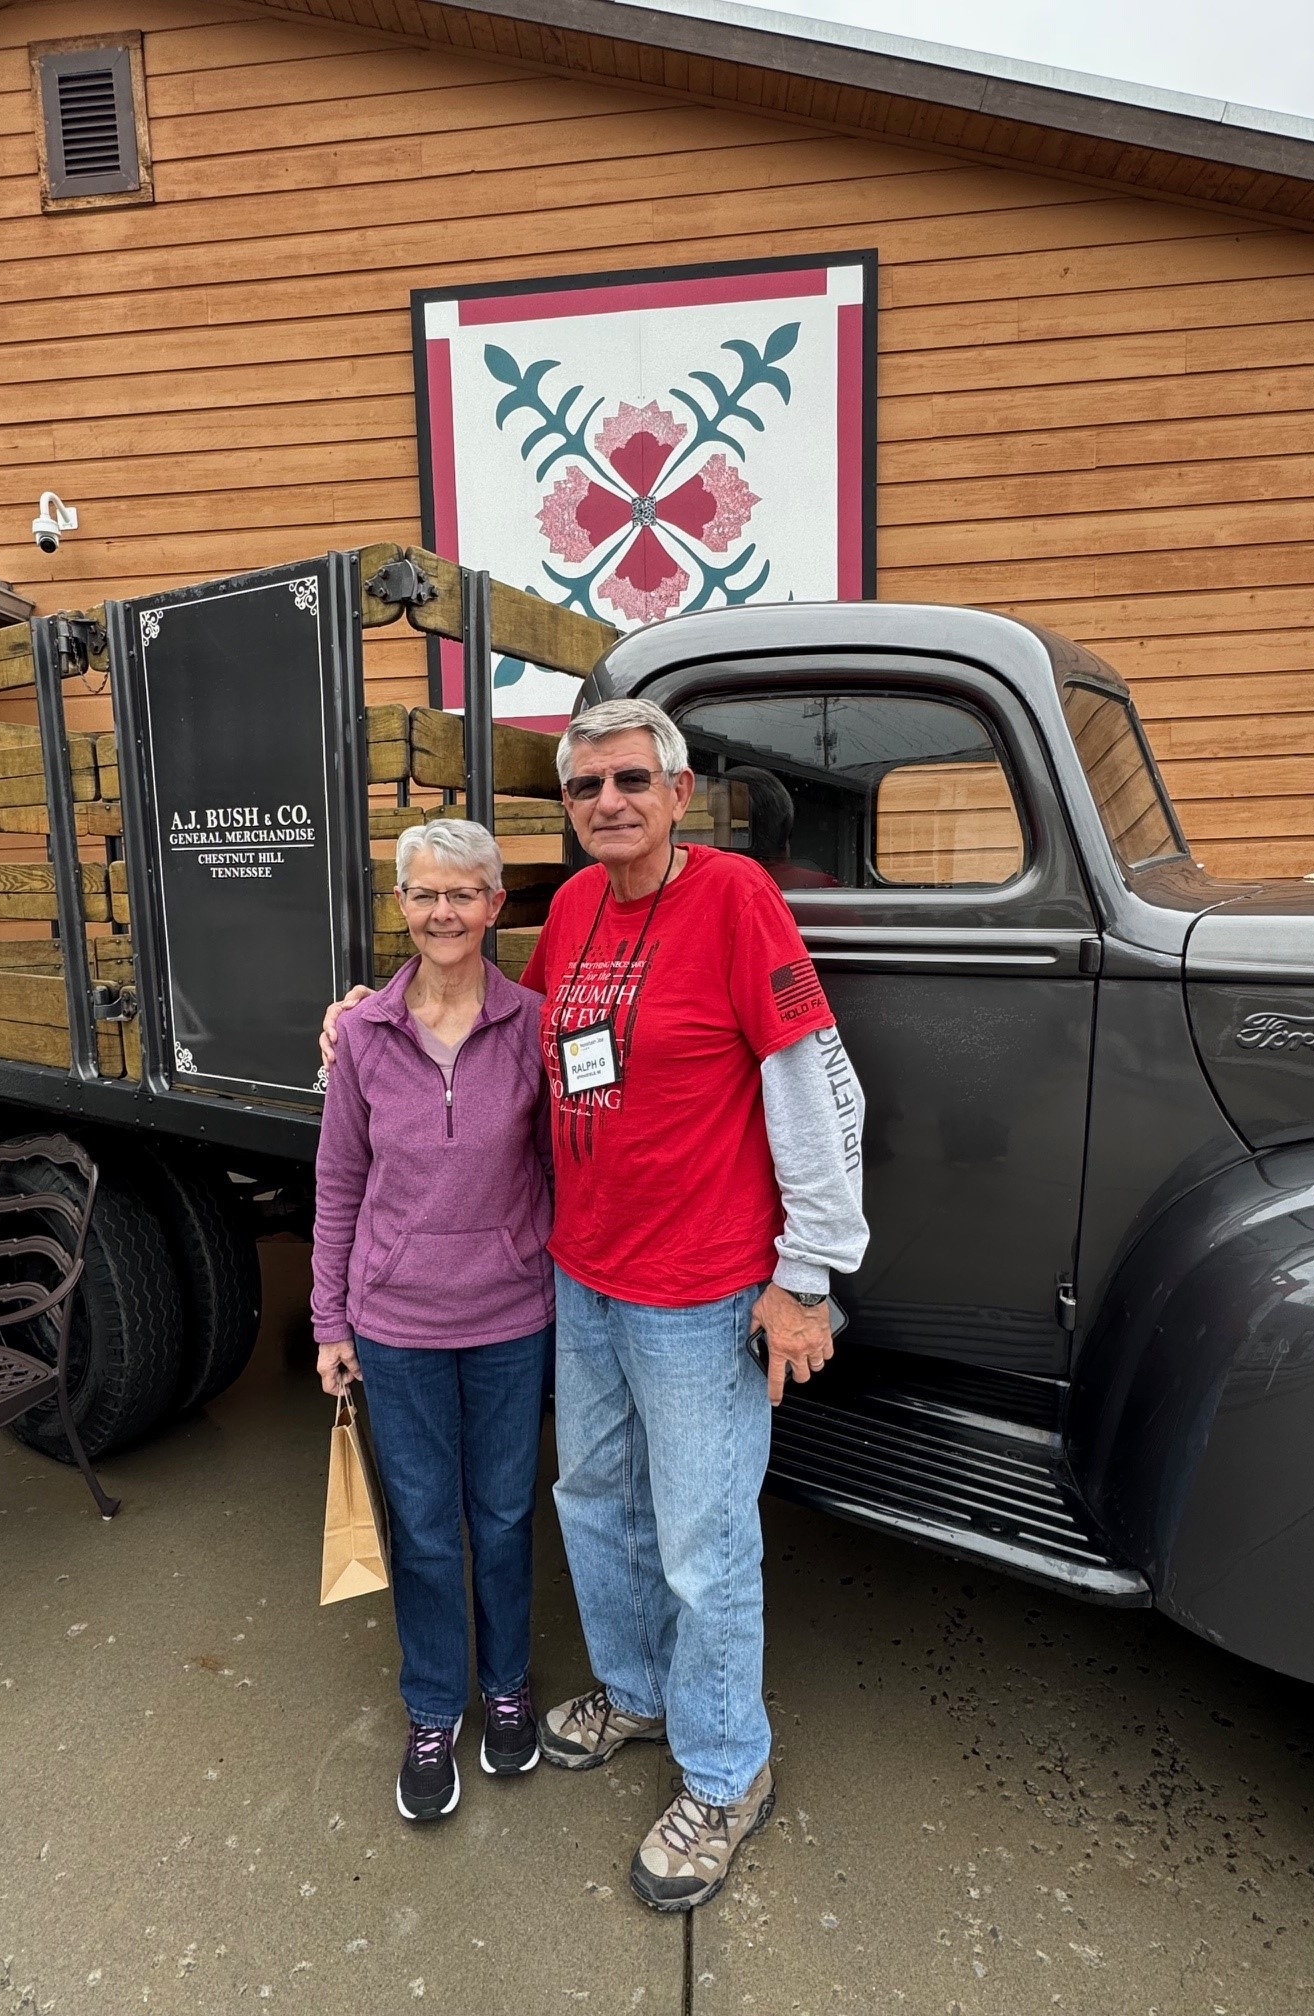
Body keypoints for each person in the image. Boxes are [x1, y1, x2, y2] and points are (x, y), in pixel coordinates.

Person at [321, 697, 867, 1913]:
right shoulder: (572, 910)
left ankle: (726, 1773)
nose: (608, 802)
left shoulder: (734, 900)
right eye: (585, 786)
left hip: (701, 1286)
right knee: (597, 1504)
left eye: (630, 780)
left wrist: (807, 1275)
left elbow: (817, 1088)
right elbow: (489, 1030)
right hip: (582, 1275)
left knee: (702, 1540)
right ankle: (637, 1692)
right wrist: (365, 1018)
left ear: (678, 794)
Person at [311, 818, 554, 1823]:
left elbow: (566, 1167)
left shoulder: (534, 1025)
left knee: (502, 1519)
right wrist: (330, 1320)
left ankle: (507, 1687)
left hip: (510, 1315)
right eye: (424, 894)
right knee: (420, 1528)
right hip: (398, 1323)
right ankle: (433, 1707)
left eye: (462, 894)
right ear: (401, 905)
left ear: (495, 905)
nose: (443, 912)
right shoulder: (365, 1035)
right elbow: (338, 1184)